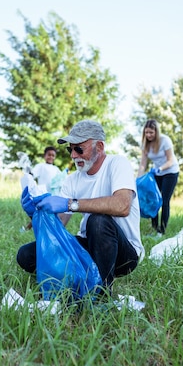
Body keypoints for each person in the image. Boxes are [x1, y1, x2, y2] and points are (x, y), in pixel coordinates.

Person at [17, 120, 144, 297]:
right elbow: (57, 227)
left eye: (79, 149)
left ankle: (101, 294)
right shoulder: (72, 180)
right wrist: (36, 214)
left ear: (99, 147)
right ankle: (78, 279)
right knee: (26, 254)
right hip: (89, 246)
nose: (73, 156)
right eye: (70, 150)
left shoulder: (117, 164)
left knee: (97, 221)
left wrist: (71, 204)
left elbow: (122, 205)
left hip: (124, 254)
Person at [136, 119, 179, 236]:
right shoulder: (145, 144)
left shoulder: (165, 141)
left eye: (151, 132)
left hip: (170, 172)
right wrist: (138, 179)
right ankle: (155, 229)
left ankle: (162, 231)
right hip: (156, 174)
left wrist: (160, 169)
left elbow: (170, 160)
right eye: (146, 133)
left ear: (156, 132)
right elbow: (143, 163)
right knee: (152, 200)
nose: (149, 135)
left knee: (164, 201)